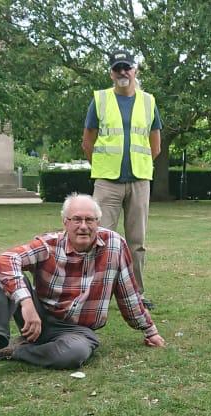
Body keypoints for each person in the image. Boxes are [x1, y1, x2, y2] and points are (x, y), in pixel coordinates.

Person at [0, 193, 166, 387]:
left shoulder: (115, 245)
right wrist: (26, 303)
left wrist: (150, 331)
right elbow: (5, 259)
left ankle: (18, 351)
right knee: (5, 277)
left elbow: (128, 294)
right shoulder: (48, 245)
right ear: (65, 223)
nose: (83, 226)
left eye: (90, 220)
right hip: (38, 318)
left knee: (76, 353)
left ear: (98, 222)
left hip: (78, 331)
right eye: (76, 220)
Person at [81, 48, 162, 310]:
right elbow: (88, 141)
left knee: (137, 242)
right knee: (98, 238)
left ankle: (136, 293)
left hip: (139, 181)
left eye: (127, 67)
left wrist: (141, 168)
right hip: (107, 182)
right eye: (118, 68)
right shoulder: (100, 100)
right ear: (111, 73)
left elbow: (155, 145)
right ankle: (95, 293)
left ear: (135, 70)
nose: (123, 72)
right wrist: (103, 168)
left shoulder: (148, 101)